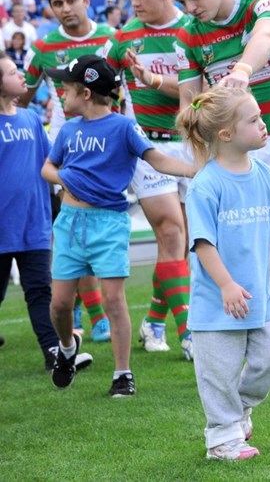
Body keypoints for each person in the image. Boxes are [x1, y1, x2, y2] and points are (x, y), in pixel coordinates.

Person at [163, 0, 270, 384]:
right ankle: (233, 340)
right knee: (234, 246)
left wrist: (242, 69)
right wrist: (202, 165)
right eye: (182, 3)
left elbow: (264, 36)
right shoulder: (189, 34)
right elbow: (190, 102)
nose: (190, 9)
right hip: (226, 151)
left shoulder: (265, 3)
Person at [42, 55, 193, 396]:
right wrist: (65, 177)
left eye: (65, 88)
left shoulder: (123, 127)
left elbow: (155, 158)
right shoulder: (68, 130)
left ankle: (122, 374)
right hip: (69, 224)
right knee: (60, 305)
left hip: (108, 224)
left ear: (84, 92)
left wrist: (195, 170)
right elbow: (48, 168)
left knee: (114, 300)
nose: (61, 94)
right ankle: (68, 349)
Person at [176, 87, 270, 461]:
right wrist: (227, 285)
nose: (263, 124)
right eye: (254, 120)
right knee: (218, 376)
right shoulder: (206, 185)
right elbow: (202, 244)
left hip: (259, 297)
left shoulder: (267, 176)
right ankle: (221, 439)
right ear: (226, 134)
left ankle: (237, 413)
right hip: (216, 304)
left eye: (261, 117)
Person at [103, 0, 194, 359]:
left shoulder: (194, 32)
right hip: (147, 148)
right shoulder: (122, 40)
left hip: (192, 144)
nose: (134, 1)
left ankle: (154, 319)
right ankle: (192, 334)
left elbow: (203, 91)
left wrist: (154, 80)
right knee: (172, 233)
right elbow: (98, 89)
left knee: (184, 244)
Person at [20, 0, 117, 341]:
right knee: (78, 230)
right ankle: (91, 310)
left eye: (71, 0)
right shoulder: (43, 47)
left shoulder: (111, 37)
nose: (65, 8)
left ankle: (89, 308)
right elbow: (21, 97)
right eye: (57, 3)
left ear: (87, 0)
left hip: (109, 143)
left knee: (99, 230)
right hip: (68, 148)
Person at [0, 52, 95, 374]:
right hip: (2, 227)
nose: (22, 76)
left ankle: (55, 352)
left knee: (40, 291)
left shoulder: (29, 119)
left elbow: (50, 166)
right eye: (13, 72)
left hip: (34, 224)